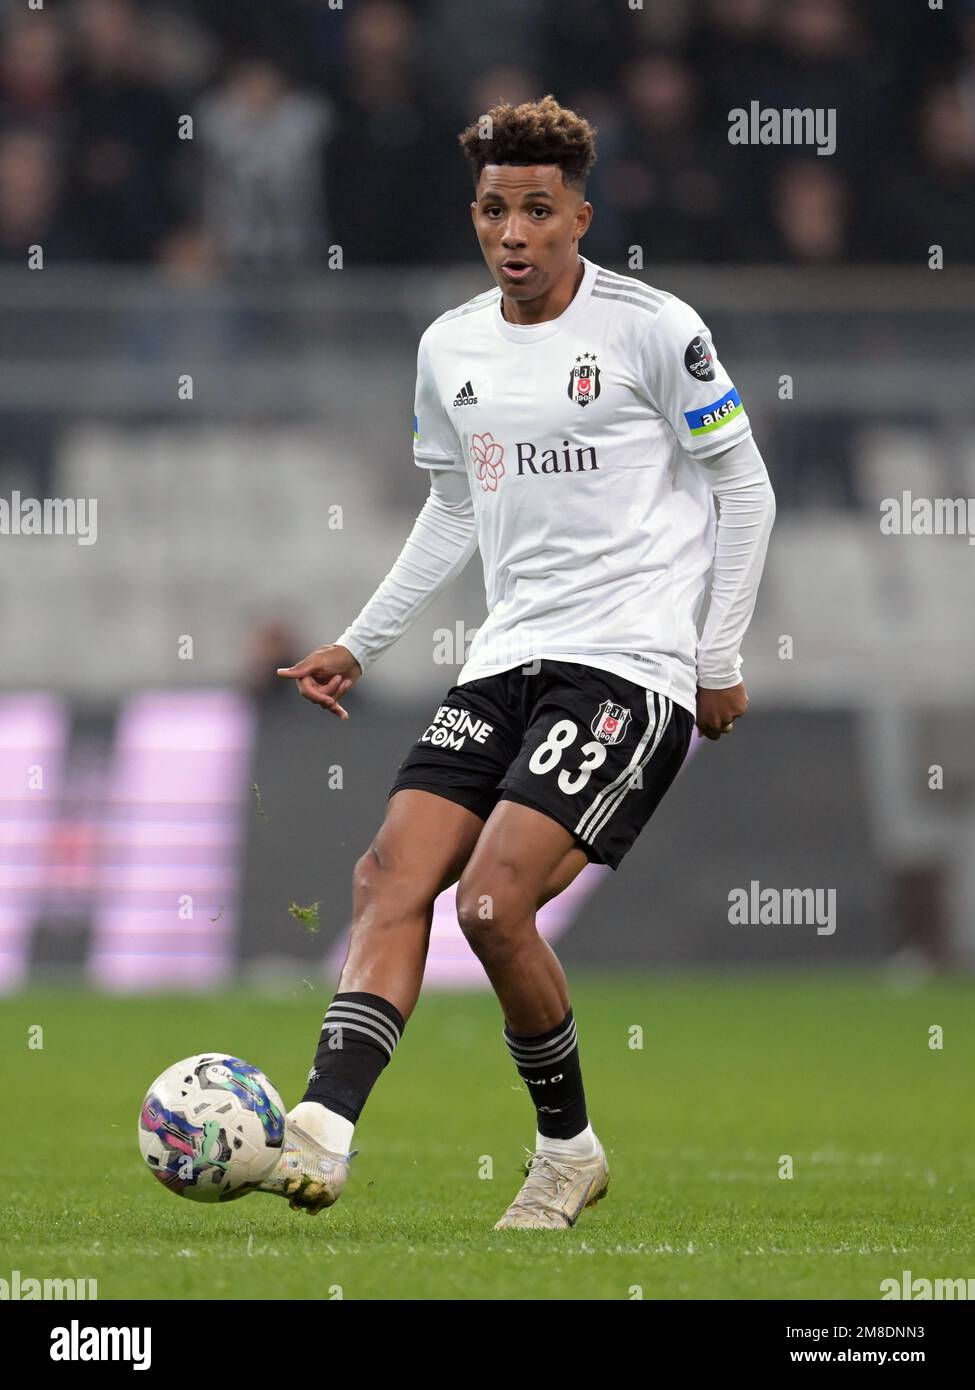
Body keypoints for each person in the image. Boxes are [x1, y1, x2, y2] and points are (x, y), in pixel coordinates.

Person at [264, 95, 775, 1229]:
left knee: (494, 905)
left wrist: (717, 652)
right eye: (496, 209)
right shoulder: (450, 345)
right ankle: (320, 1130)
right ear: (477, 215)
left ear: (580, 218)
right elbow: (453, 505)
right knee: (387, 876)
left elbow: (745, 484)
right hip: (504, 658)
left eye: (539, 210)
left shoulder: (654, 328)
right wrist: (363, 638)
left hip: (628, 667)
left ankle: (566, 1153)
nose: (515, 233)